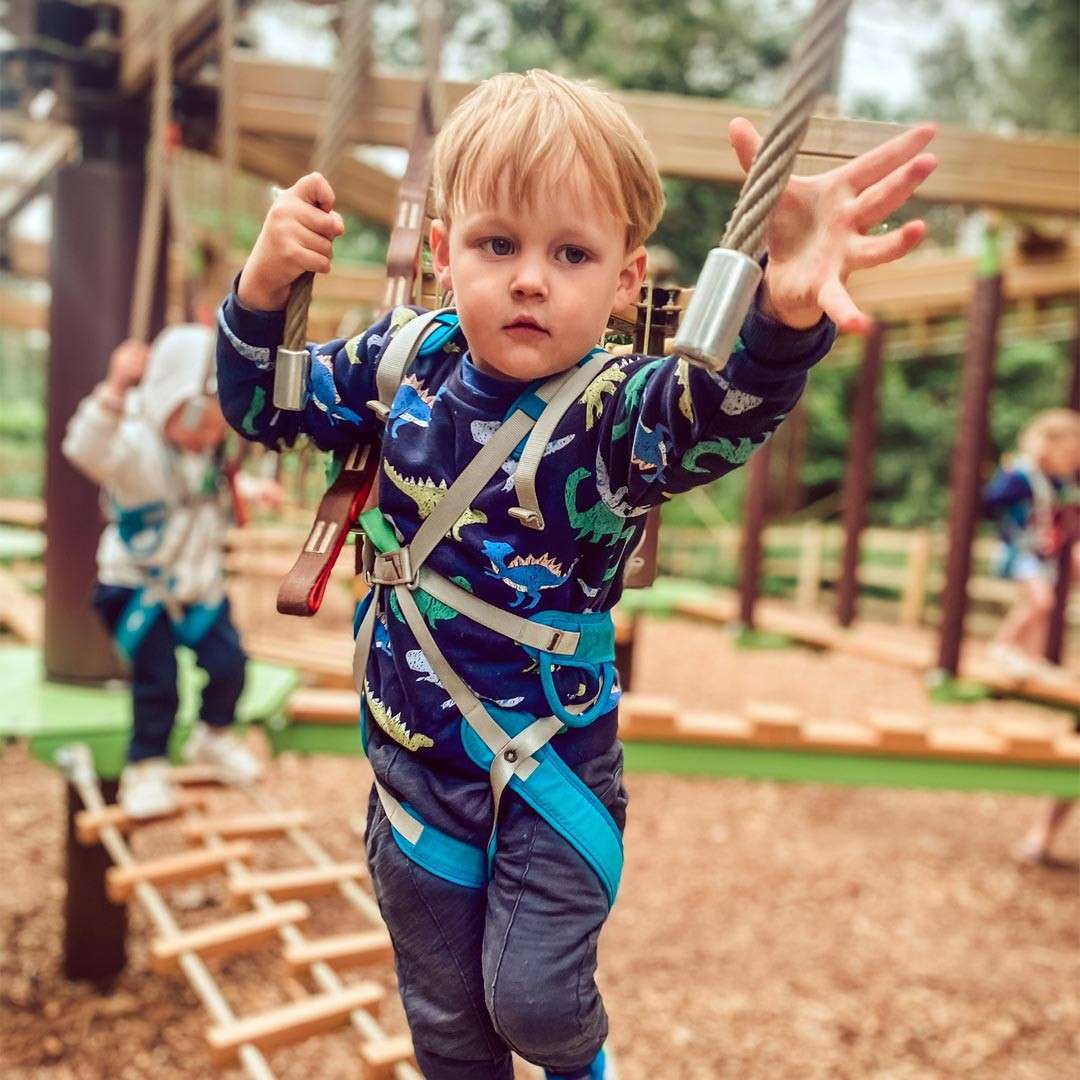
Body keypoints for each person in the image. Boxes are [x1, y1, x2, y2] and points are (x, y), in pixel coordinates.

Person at [217, 69, 935, 1080]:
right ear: (441, 252)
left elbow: (715, 415)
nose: (529, 279)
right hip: (414, 757)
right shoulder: (399, 364)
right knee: (451, 1033)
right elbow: (267, 409)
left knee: (538, 1003)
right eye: (498, 244)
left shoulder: (614, 413)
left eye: (571, 254)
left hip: (550, 750)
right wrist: (259, 291)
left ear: (625, 281)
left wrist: (778, 319)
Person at [63, 325, 279, 818]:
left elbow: (211, 493)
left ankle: (213, 735)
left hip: (196, 583)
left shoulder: (206, 455)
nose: (209, 432)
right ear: (164, 398)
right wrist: (116, 388)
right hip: (138, 586)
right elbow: (84, 449)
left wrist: (248, 492)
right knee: (158, 682)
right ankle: (147, 765)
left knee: (230, 665)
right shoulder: (133, 444)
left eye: (217, 418)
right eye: (198, 415)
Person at [982, 408, 1080, 864]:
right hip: (1019, 552)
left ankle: (1023, 655)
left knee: (1044, 602)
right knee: (1039, 603)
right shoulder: (1021, 477)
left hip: (1038, 555)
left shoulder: (1055, 484)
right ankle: (1003, 648)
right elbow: (991, 498)